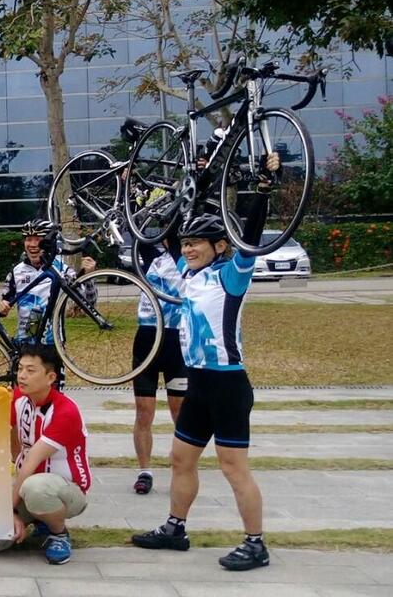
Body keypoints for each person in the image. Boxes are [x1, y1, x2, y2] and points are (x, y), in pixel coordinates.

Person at [132, 154, 281, 571]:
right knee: (181, 458)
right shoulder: (190, 274)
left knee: (233, 467)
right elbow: (171, 230)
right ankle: (175, 528)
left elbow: (250, 238)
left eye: (197, 243)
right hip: (197, 384)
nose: (188, 248)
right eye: (185, 244)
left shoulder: (232, 276)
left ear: (220, 247)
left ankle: (256, 543)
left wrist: (262, 193)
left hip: (228, 385)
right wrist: (197, 178)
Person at [0, 345, 93, 565]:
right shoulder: (19, 397)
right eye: (20, 369)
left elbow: (32, 461)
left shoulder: (65, 411)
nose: (22, 375)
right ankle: (39, 521)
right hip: (27, 485)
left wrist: (9, 509)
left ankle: (58, 533)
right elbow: (1, 432)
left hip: (67, 490)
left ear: (50, 377)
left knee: (36, 488)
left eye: (31, 371)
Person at [130, 232, 186, 495]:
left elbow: (175, 237)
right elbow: (139, 233)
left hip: (176, 343)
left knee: (180, 413)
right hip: (147, 340)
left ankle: (183, 469)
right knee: (144, 412)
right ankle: (145, 471)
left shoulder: (185, 259)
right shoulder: (154, 257)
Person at [0, 219, 97, 345]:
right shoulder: (16, 271)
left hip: (52, 343)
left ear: (49, 243)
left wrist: (88, 278)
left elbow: (87, 304)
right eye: (28, 239)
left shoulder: (61, 269)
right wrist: (1, 306)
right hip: (24, 343)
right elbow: (5, 302)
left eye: (38, 239)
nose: (32, 244)